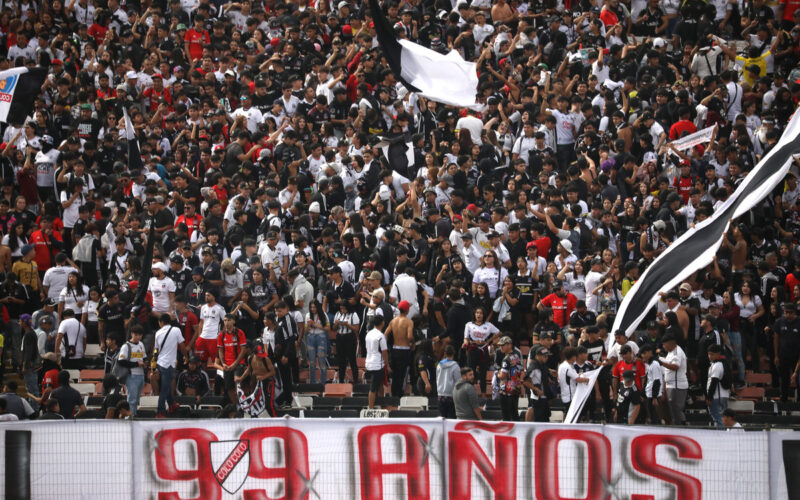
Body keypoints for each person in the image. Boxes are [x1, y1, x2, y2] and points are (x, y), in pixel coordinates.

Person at [153, 314, 187, 418]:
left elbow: (156, 350)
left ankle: (171, 404)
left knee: (165, 386)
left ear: (161, 322)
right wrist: (186, 356)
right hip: (169, 364)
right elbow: (182, 345)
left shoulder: (158, 333)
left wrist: (154, 365)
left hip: (160, 363)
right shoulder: (176, 330)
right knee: (164, 388)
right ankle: (160, 411)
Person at [235, 339, 277, 417]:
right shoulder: (250, 358)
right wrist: (241, 378)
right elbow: (248, 369)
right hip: (258, 383)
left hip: (268, 382)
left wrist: (263, 377)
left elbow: (273, 372)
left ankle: (276, 420)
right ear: (254, 354)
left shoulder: (266, 359)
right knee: (254, 402)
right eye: (259, 356)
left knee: (269, 404)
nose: (260, 357)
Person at [463, 307, 500, 396]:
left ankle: (483, 394)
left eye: (481, 313)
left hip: (483, 350)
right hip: (473, 349)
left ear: (483, 315)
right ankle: (470, 393)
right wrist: (466, 343)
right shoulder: (469, 324)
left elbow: (499, 332)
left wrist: (488, 341)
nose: (479, 315)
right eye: (477, 313)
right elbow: (465, 338)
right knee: (471, 372)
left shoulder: (488, 325)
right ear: (474, 314)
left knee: (483, 373)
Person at [216, 313, 248, 406]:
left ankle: (242, 405)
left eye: (229, 320)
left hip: (238, 363)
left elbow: (243, 350)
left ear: (233, 321)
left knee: (237, 381)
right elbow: (221, 350)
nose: (226, 322)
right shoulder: (221, 335)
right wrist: (223, 363)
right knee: (229, 388)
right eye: (225, 320)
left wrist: (235, 363)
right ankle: (236, 406)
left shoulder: (239, 333)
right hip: (227, 364)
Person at [385, 300, 415, 397]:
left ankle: (394, 395)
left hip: (395, 349)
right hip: (404, 349)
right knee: (402, 374)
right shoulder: (409, 322)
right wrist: (413, 343)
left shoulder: (393, 321)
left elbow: (385, 334)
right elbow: (410, 336)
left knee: (395, 374)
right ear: (407, 310)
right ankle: (399, 396)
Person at [495, 336, 527, 421]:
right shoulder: (516, 356)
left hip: (506, 390)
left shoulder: (506, 359)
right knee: (514, 413)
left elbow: (502, 376)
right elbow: (521, 370)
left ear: (509, 345)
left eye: (503, 345)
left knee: (506, 416)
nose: (500, 347)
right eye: (500, 345)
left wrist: (498, 374)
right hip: (515, 388)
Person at [117, 326, 147, 416]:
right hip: (131, 375)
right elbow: (121, 361)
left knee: (136, 399)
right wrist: (136, 364)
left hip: (141, 375)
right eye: (136, 334)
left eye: (140, 335)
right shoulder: (126, 346)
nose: (138, 337)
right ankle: (131, 418)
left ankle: (133, 415)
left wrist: (145, 364)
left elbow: (144, 357)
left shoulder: (141, 344)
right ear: (132, 334)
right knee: (132, 400)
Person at [660, 333, 689, 425]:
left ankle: (682, 426)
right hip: (670, 384)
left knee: (677, 408)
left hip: (677, 385)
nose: (663, 347)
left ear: (670, 343)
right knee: (672, 408)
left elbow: (676, 366)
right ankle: (677, 425)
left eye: (664, 344)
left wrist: (661, 363)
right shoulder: (670, 352)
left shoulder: (677, 352)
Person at [365, 314, 389, 409]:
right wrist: (387, 364)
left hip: (368, 362)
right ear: (382, 323)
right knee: (373, 388)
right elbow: (384, 351)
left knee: (380, 385)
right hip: (377, 365)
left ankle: (381, 406)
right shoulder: (381, 336)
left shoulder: (368, 334)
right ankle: (370, 408)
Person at [558, 346, 590, 412]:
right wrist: (587, 379)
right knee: (571, 414)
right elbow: (577, 379)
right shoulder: (568, 367)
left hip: (564, 394)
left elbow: (571, 376)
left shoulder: (562, 365)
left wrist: (579, 375)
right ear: (573, 357)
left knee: (567, 413)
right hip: (570, 396)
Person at [525, 347, 553, 422]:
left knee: (546, 418)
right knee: (539, 419)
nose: (546, 358)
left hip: (544, 396)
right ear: (538, 356)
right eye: (544, 356)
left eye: (547, 356)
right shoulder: (533, 367)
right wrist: (535, 389)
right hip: (537, 398)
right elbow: (526, 381)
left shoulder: (543, 365)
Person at [706, 344, 730, 427]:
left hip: (716, 397)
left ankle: (721, 437)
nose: (710, 356)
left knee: (719, 419)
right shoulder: (723, 363)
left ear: (718, 354)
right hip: (724, 395)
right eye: (709, 354)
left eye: (712, 354)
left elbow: (714, 381)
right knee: (722, 418)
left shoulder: (717, 365)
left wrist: (709, 397)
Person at [640, 344, 665, 424]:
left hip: (654, 395)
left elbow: (656, 381)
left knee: (655, 416)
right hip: (649, 393)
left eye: (644, 353)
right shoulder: (649, 364)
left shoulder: (655, 364)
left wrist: (654, 397)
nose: (642, 356)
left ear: (649, 353)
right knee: (651, 415)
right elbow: (648, 380)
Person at [436, 345, 460, 418]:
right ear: (454, 353)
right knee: (451, 418)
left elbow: (437, 378)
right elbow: (458, 380)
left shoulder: (439, 365)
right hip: (451, 395)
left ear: (444, 353)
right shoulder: (455, 366)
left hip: (440, 395)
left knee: (442, 418)